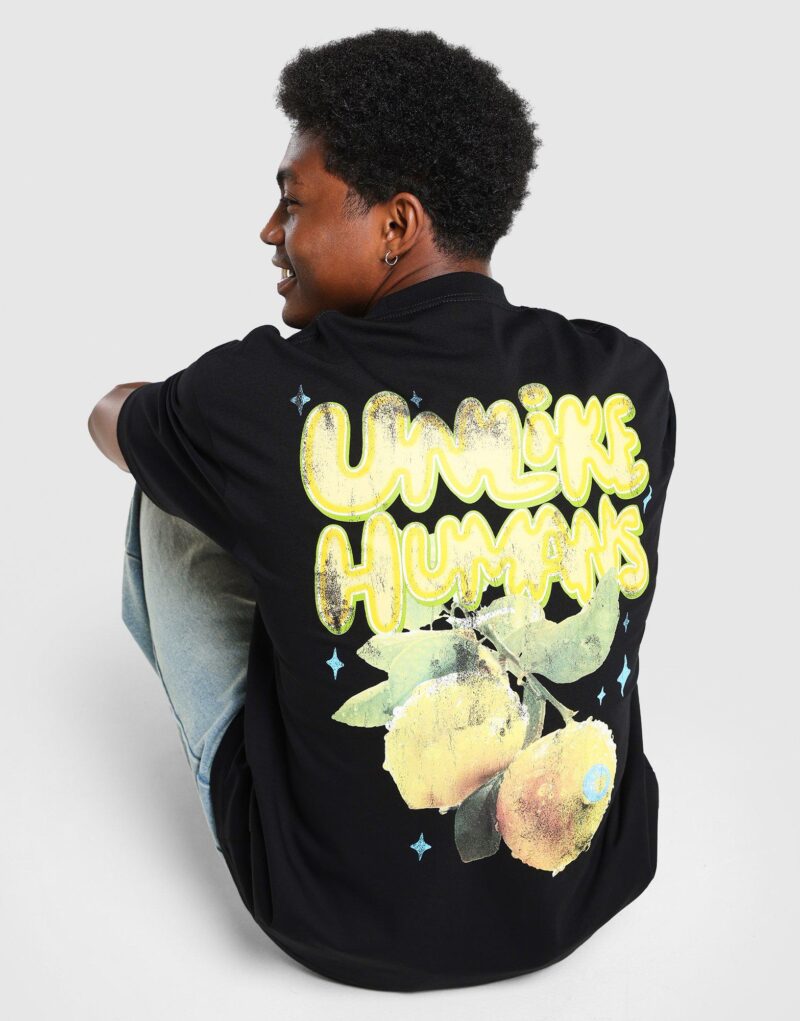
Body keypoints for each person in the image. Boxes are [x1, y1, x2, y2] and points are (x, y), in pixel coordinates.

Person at [87, 27, 677, 993]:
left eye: (292, 203)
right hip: (581, 894)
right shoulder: (628, 379)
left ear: (396, 225)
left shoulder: (253, 396)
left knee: (170, 477)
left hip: (331, 919)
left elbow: (108, 416)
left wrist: (202, 430)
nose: (270, 233)